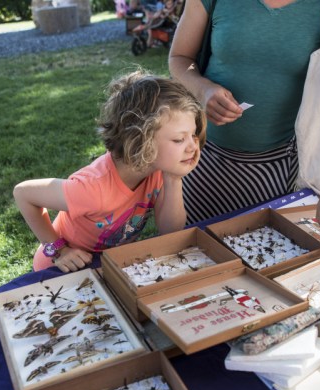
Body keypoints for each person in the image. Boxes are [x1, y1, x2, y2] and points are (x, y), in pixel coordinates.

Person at [169, 0, 320, 254]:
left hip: (278, 169)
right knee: (189, 259)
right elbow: (180, 58)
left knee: (262, 265)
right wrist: (202, 89)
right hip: (200, 159)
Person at [13, 70, 206, 273]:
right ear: (141, 140)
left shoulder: (159, 169)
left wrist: (174, 180)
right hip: (61, 270)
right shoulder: (93, 189)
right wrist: (58, 250)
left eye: (192, 135)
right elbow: (23, 193)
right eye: (179, 139)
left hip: (106, 265)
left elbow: (170, 231)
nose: (193, 146)